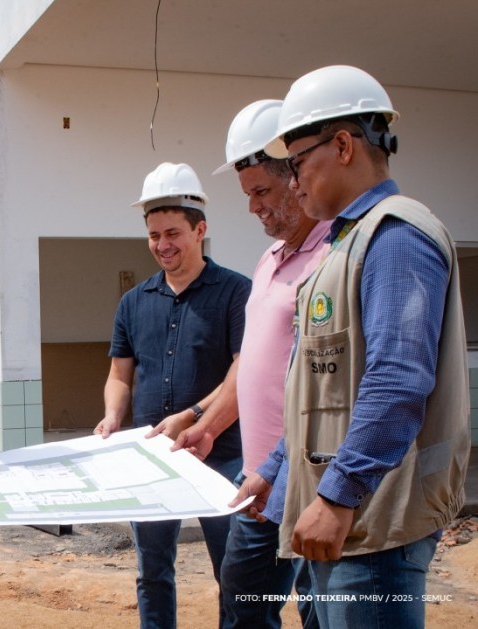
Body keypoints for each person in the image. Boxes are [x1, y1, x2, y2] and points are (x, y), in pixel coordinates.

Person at [233, 65, 470, 628]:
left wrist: (337, 497)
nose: (292, 182)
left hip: (373, 526)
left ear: (343, 146)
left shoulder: (395, 237)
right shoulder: (347, 243)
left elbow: (397, 380)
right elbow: (321, 395)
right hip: (347, 523)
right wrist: (274, 468)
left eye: (297, 164)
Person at [171, 100, 328, 628]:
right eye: (247, 195)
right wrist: (207, 424)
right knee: (244, 609)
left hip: (312, 483)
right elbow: (253, 365)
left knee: (318, 612)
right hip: (256, 487)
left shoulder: (336, 256)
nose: (253, 207)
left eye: (261, 191)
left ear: (298, 177)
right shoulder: (268, 261)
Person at [94, 162, 250, 629]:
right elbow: (119, 374)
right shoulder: (134, 301)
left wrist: (194, 415)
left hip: (221, 454)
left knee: (234, 570)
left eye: (173, 233)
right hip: (153, 458)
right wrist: (110, 417)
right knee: (152, 570)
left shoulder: (235, 293)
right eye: (154, 234)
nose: (163, 245)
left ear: (200, 230)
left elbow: (246, 371)